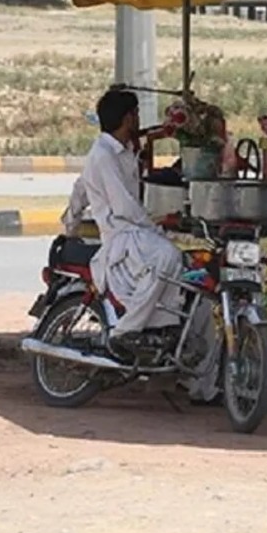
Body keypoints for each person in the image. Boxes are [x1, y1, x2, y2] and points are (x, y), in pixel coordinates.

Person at [61, 89, 187, 353]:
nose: (139, 120)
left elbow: (81, 188)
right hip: (122, 235)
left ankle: (164, 329)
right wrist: (154, 227)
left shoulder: (122, 151)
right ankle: (126, 330)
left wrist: (70, 221)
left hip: (133, 231)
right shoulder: (103, 155)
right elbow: (124, 205)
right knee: (168, 256)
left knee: (185, 266)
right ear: (128, 118)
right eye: (137, 113)